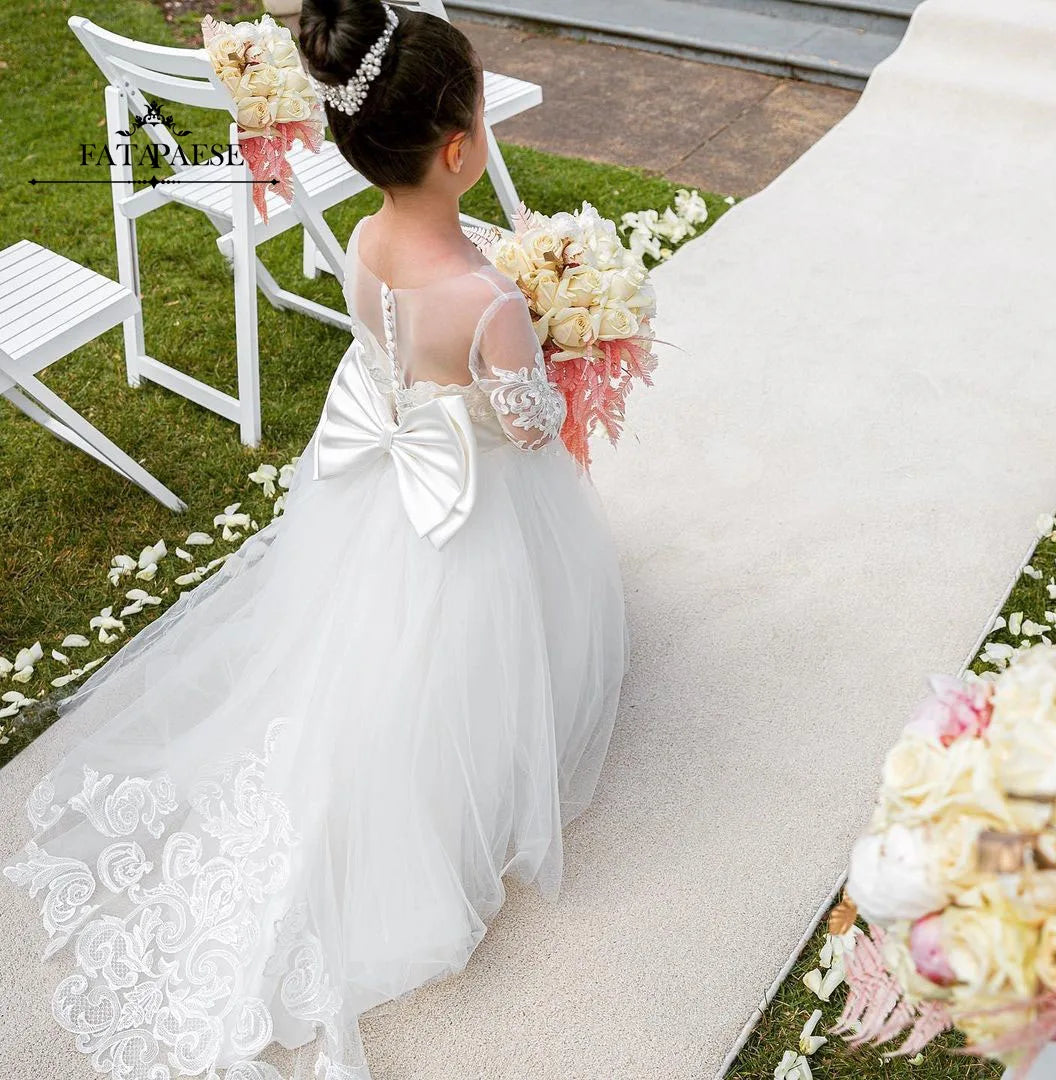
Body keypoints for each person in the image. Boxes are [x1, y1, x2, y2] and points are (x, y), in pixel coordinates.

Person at [1, 1, 627, 1077]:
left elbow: (393, 356)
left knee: (354, 641)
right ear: (461, 146)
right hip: (459, 501)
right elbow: (528, 426)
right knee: (453, 666)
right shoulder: (486, 301)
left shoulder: (372, 242)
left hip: (376, 483)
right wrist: (562, 344)